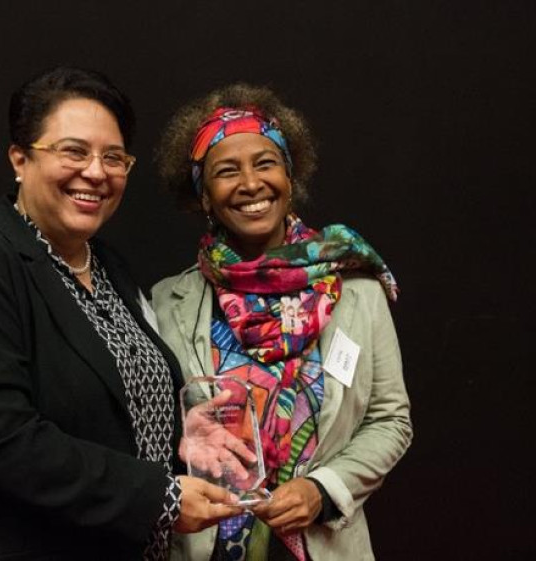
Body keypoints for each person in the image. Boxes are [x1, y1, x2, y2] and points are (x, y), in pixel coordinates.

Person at [0, 66, 241, 561]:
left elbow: (105, 405)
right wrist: (160, 497)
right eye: (74, 152)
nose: (97, 172)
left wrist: (180, 433)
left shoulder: (109, 268)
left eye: (114, 157)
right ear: (20, 158)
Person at [151, 84, 413, 560]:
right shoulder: (168, 301)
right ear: (204, 196)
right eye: (226, 171)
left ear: (290, 177)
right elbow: (149, 426)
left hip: (324, 545)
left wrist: (324, 489)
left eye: (265, 163)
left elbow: (390, 419)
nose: (251, 184)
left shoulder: (356, 290)